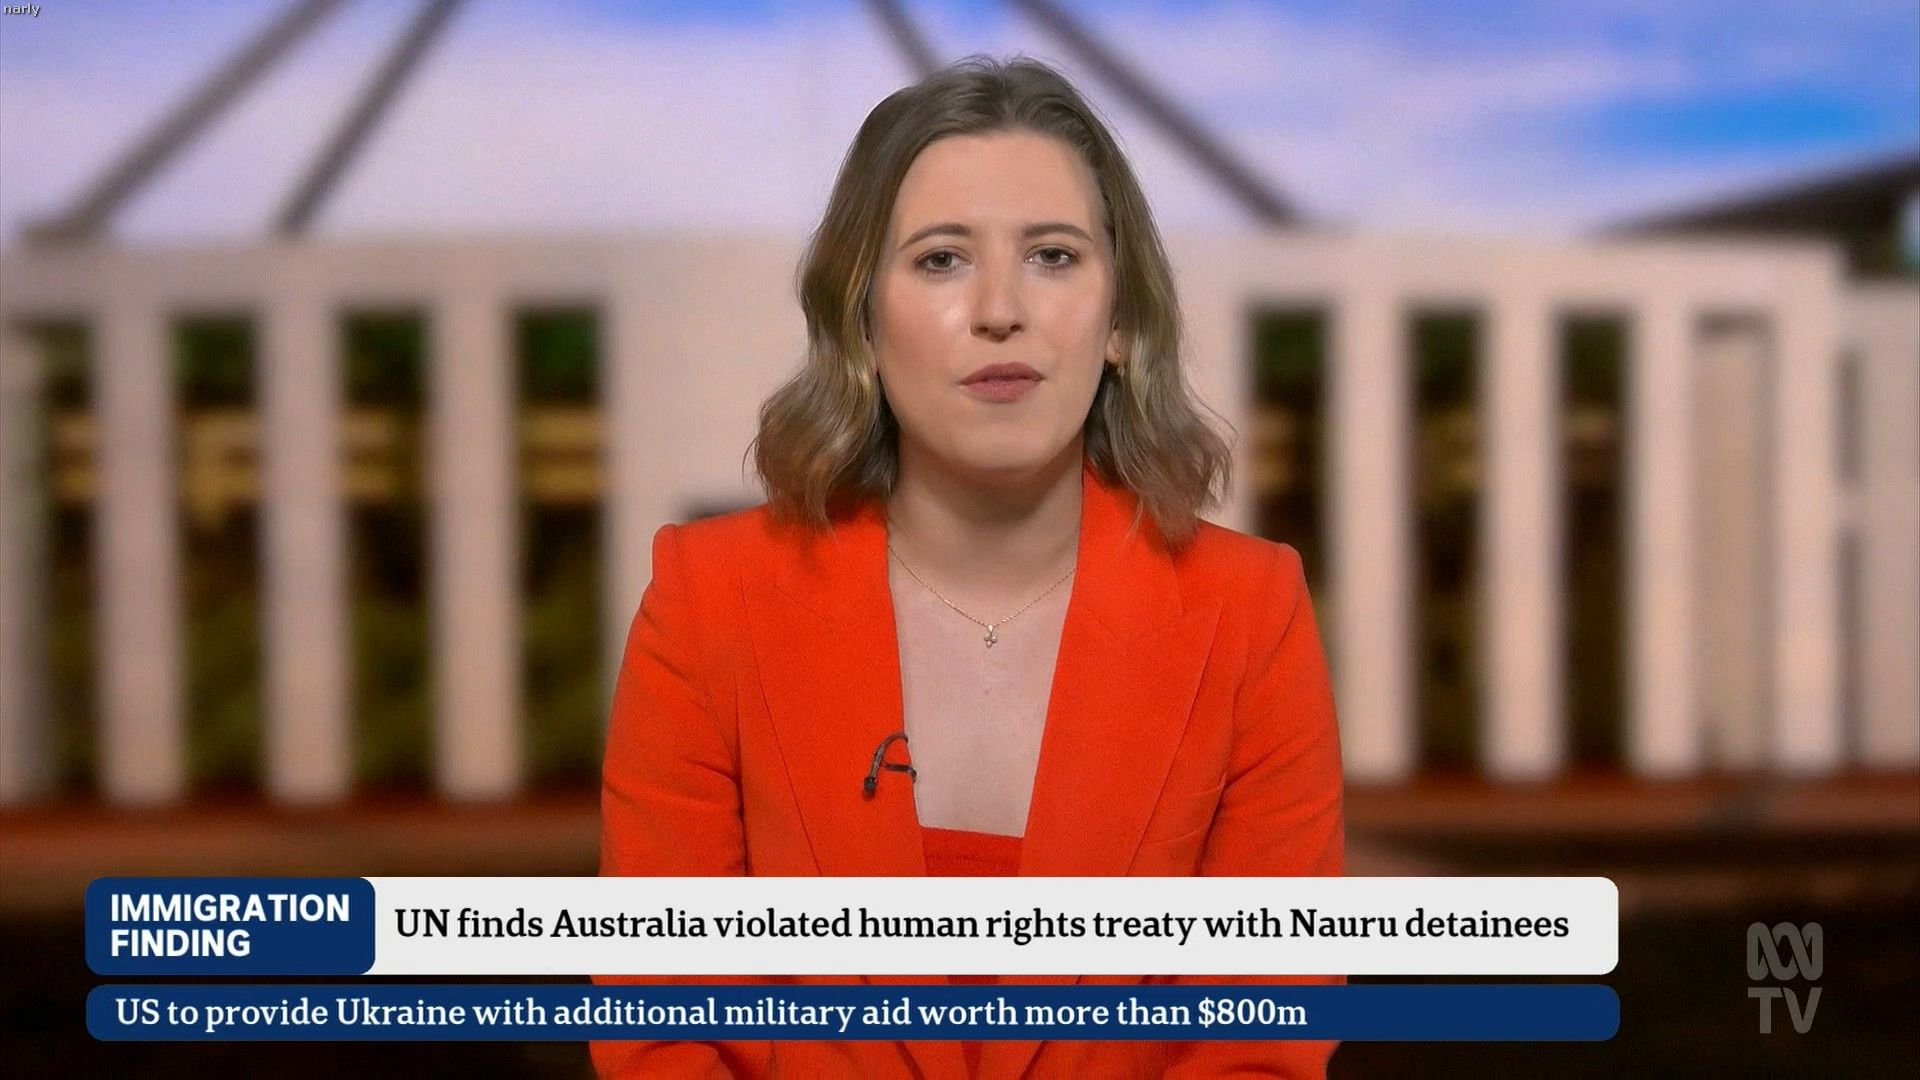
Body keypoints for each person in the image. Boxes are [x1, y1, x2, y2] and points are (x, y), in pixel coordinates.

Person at [593, 54, 1345, 1078]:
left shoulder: (1250, 615)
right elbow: (663, 1024)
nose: (1000, 309)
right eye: (942, 259)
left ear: (1123, 321)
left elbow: (1260, 1036)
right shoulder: (707, 602)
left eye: (1053, 256)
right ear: (861, 319)